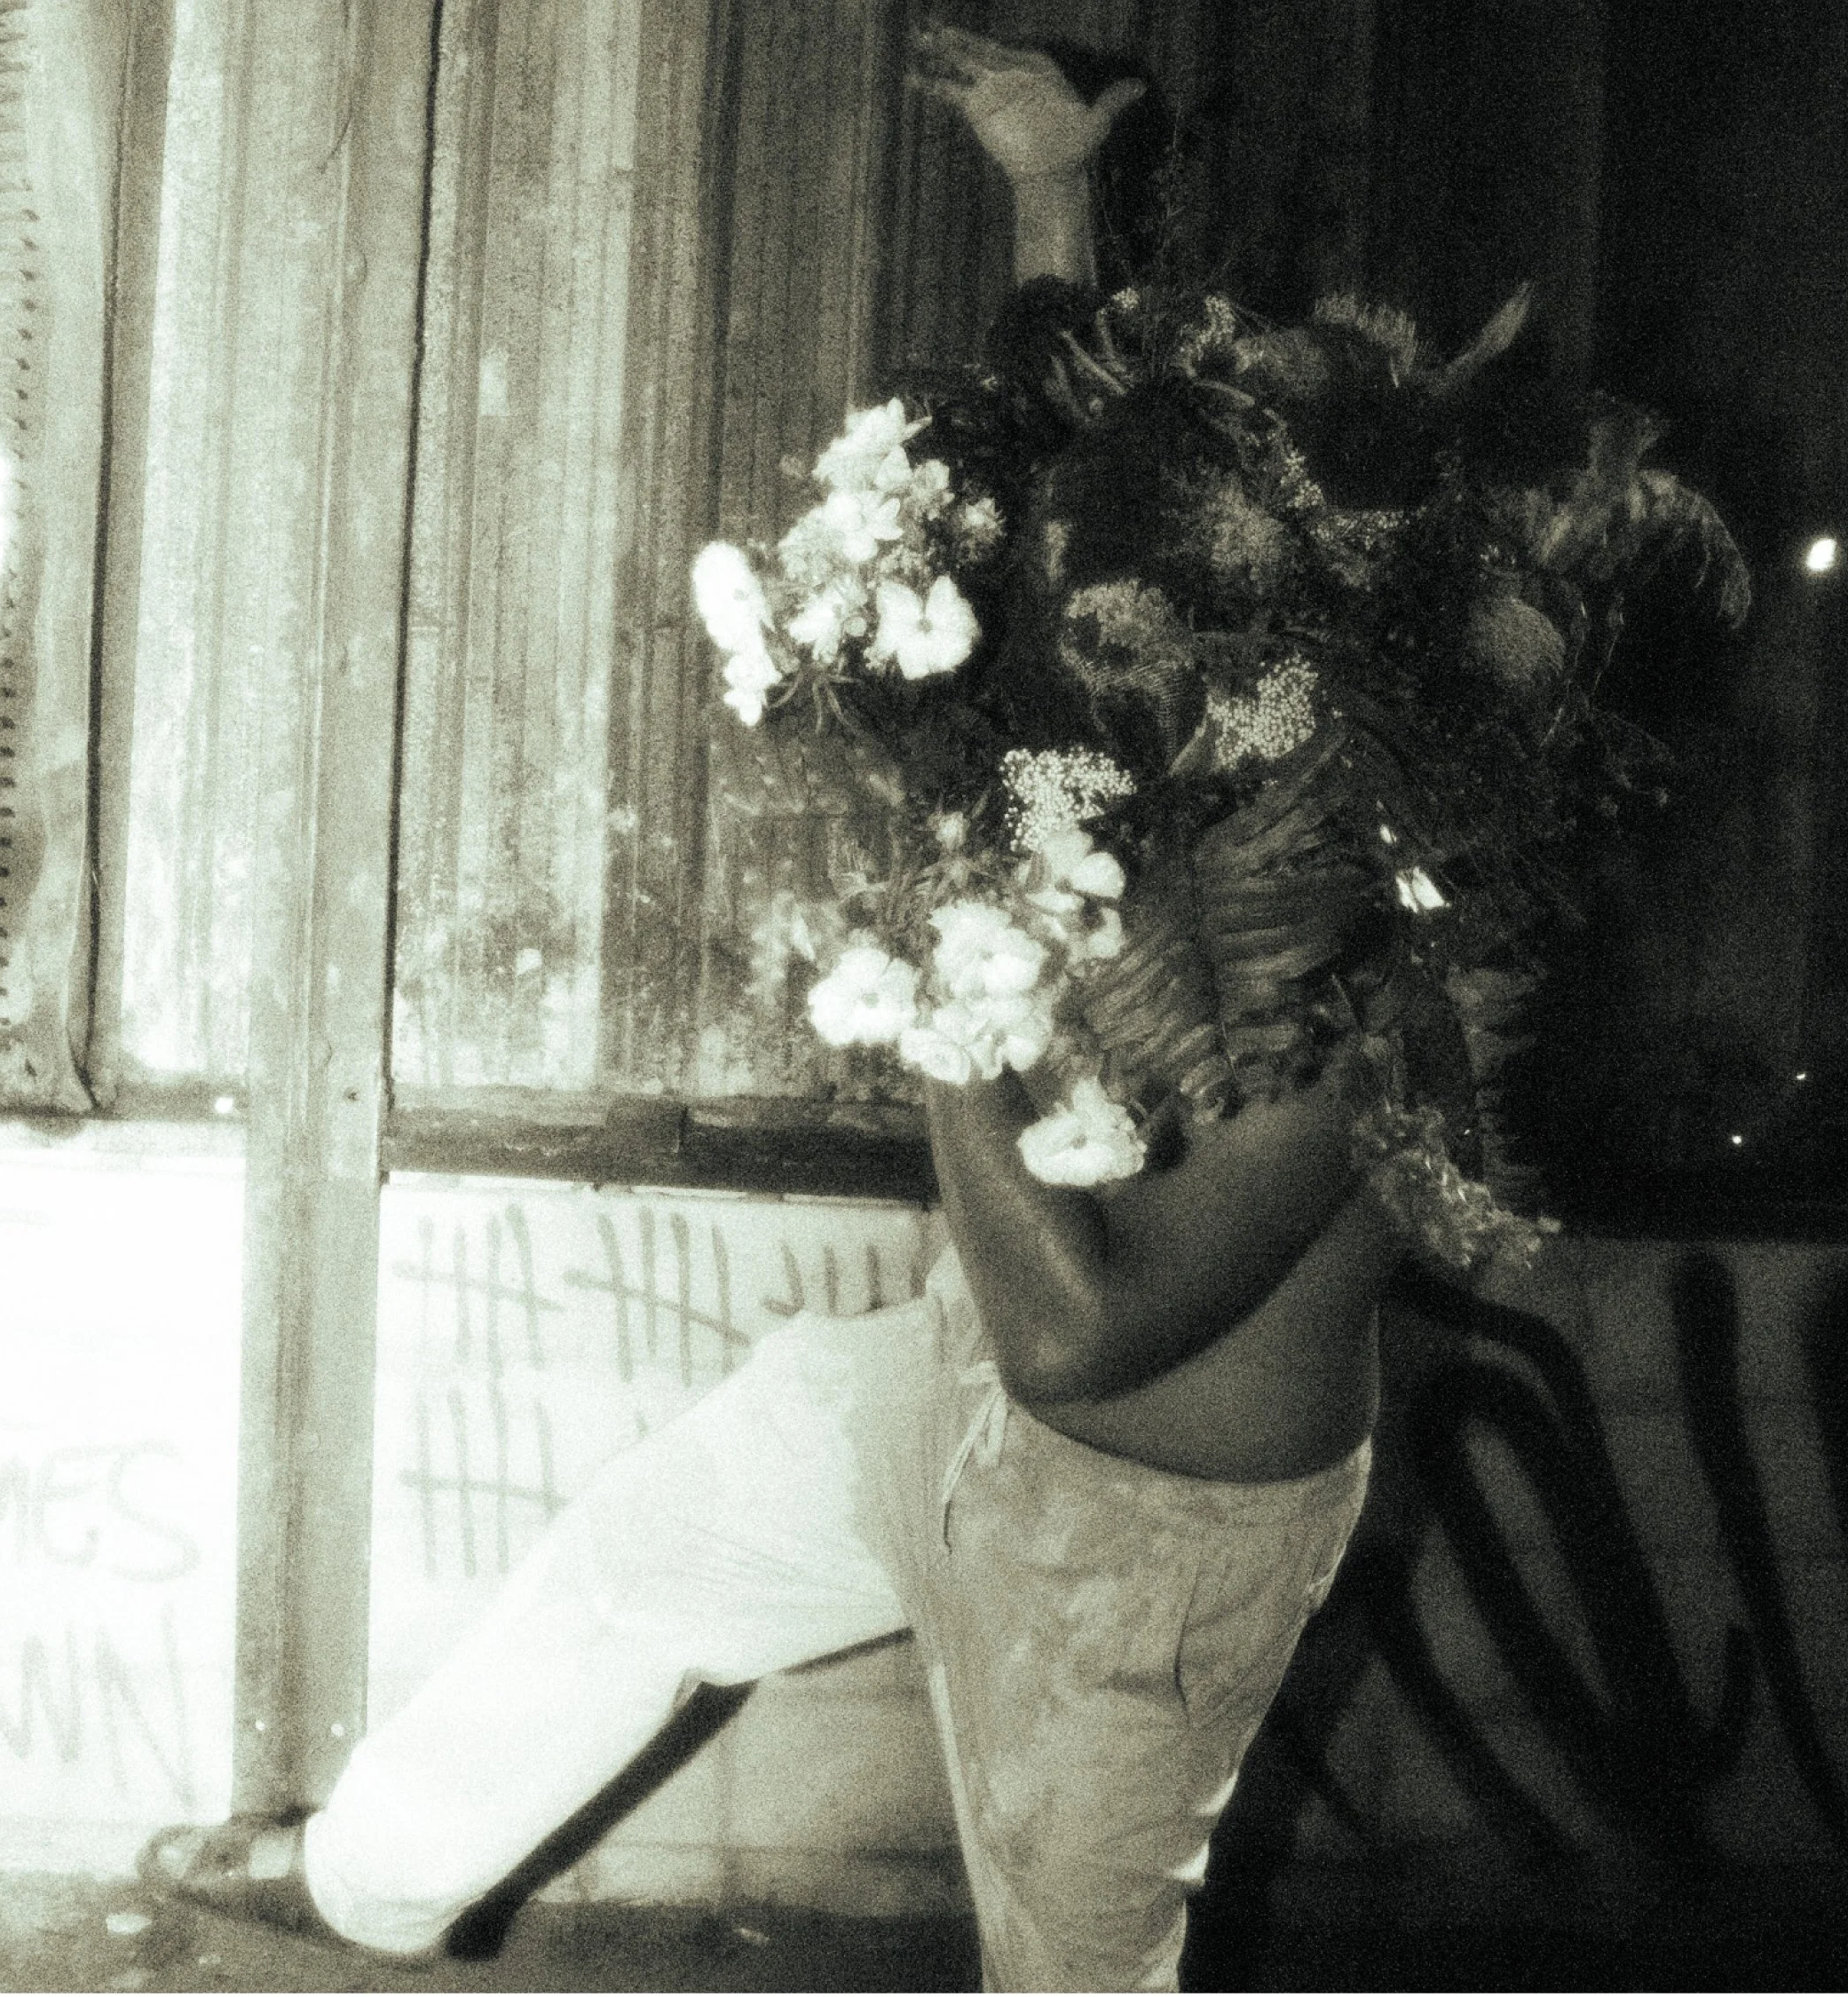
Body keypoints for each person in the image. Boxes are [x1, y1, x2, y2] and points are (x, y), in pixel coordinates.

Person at [140, 28, 1397, 1991]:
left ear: (1315, 629)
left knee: (1076, 1972)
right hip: (954, 1387)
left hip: (1139, 1555)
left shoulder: (1377, 937)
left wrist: (936, 1018)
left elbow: (1089, 1336)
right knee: (642, 1561)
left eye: (1207, 583)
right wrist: (1047, 191)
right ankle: (372, 1883)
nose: (1129, 602)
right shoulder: (1151, 704)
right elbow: (1076, 458)